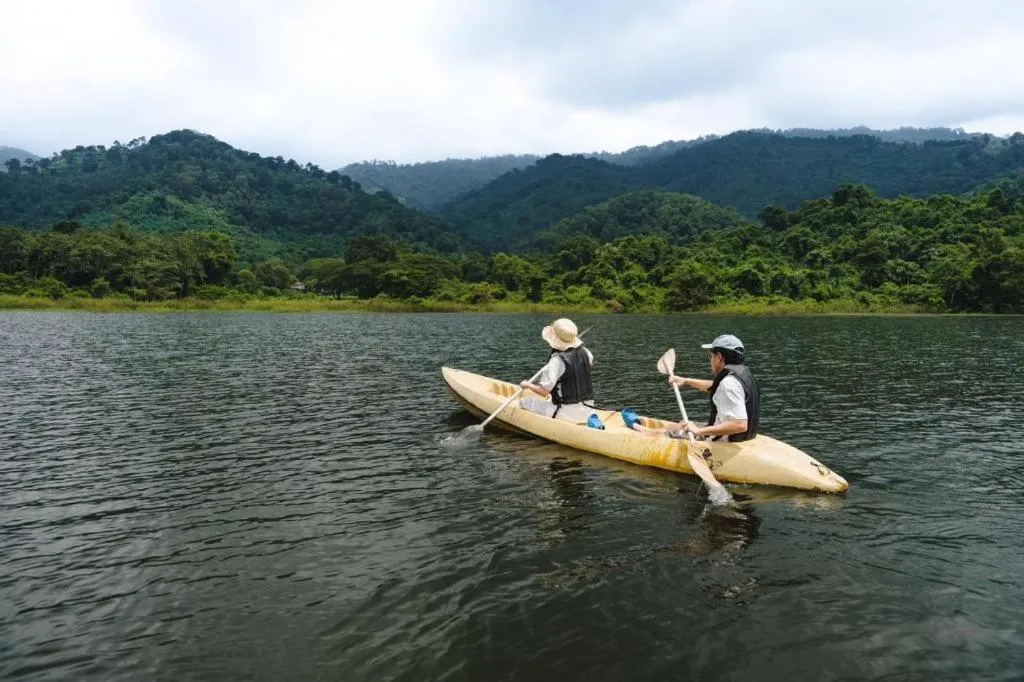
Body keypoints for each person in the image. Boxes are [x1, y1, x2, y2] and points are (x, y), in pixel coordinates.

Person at [670, 334, 760, 442]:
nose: (711, 359)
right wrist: (686, 381)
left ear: (718, 357)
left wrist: (698, 431)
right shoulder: (742, 375)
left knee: (669, 433)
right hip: (744, 438)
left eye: (712, 355)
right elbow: (716, 387)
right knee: (681, 424)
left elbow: (740, 425)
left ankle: (647, 433)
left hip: (723, 442)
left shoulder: (729, 384)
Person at [519, 318, 596, 423]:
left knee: (524, 402)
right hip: (588, 410)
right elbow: (587, 367)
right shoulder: (586, 352)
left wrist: (527, 384)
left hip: (564, 412)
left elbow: (543, 392)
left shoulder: (556, 361)